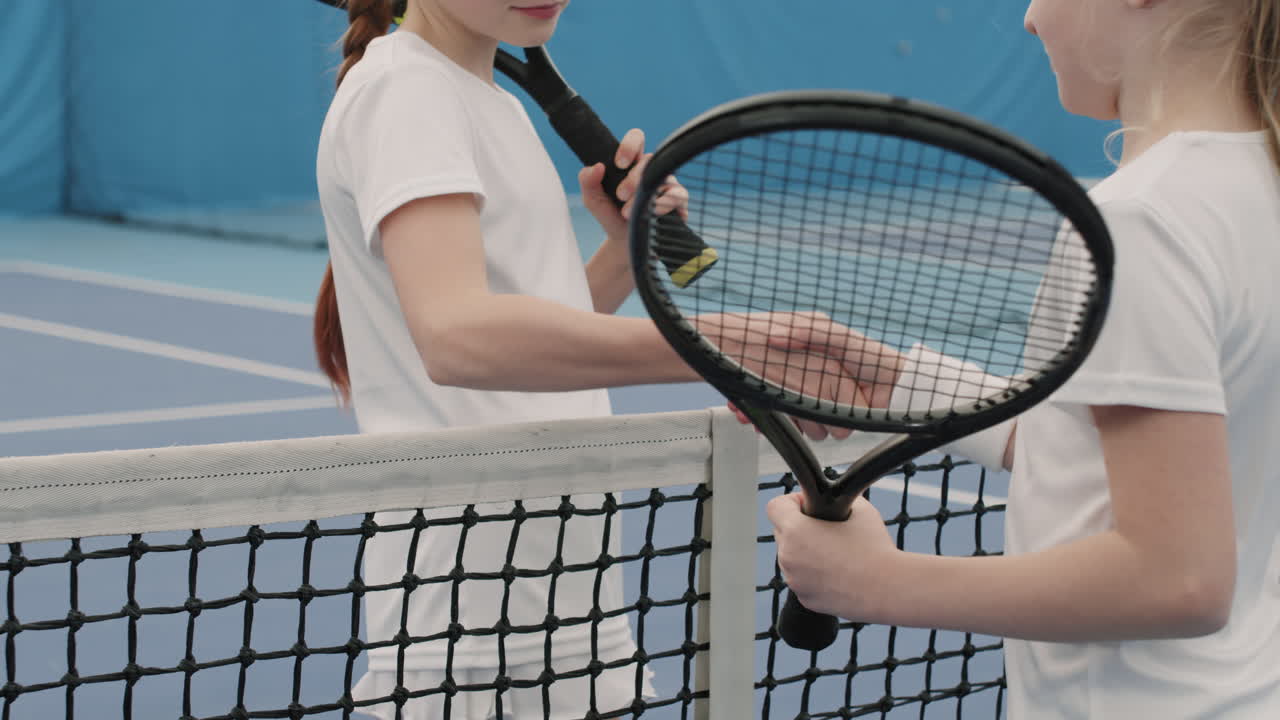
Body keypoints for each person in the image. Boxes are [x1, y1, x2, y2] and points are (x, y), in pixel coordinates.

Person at [313, 1, 858, 718]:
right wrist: (724, 351)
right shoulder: (404, 88)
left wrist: (625, 252)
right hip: (465, 595)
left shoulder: (491, 101)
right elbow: (458, 337)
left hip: (565, 573)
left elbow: (533, 340)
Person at [765, 0, 1280, 717]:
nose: (1031, 18)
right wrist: (905, 383)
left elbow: (1179, 579)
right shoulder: (1252, 182)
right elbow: (1130, 458)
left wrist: (876, 582)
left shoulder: (1140, 221)